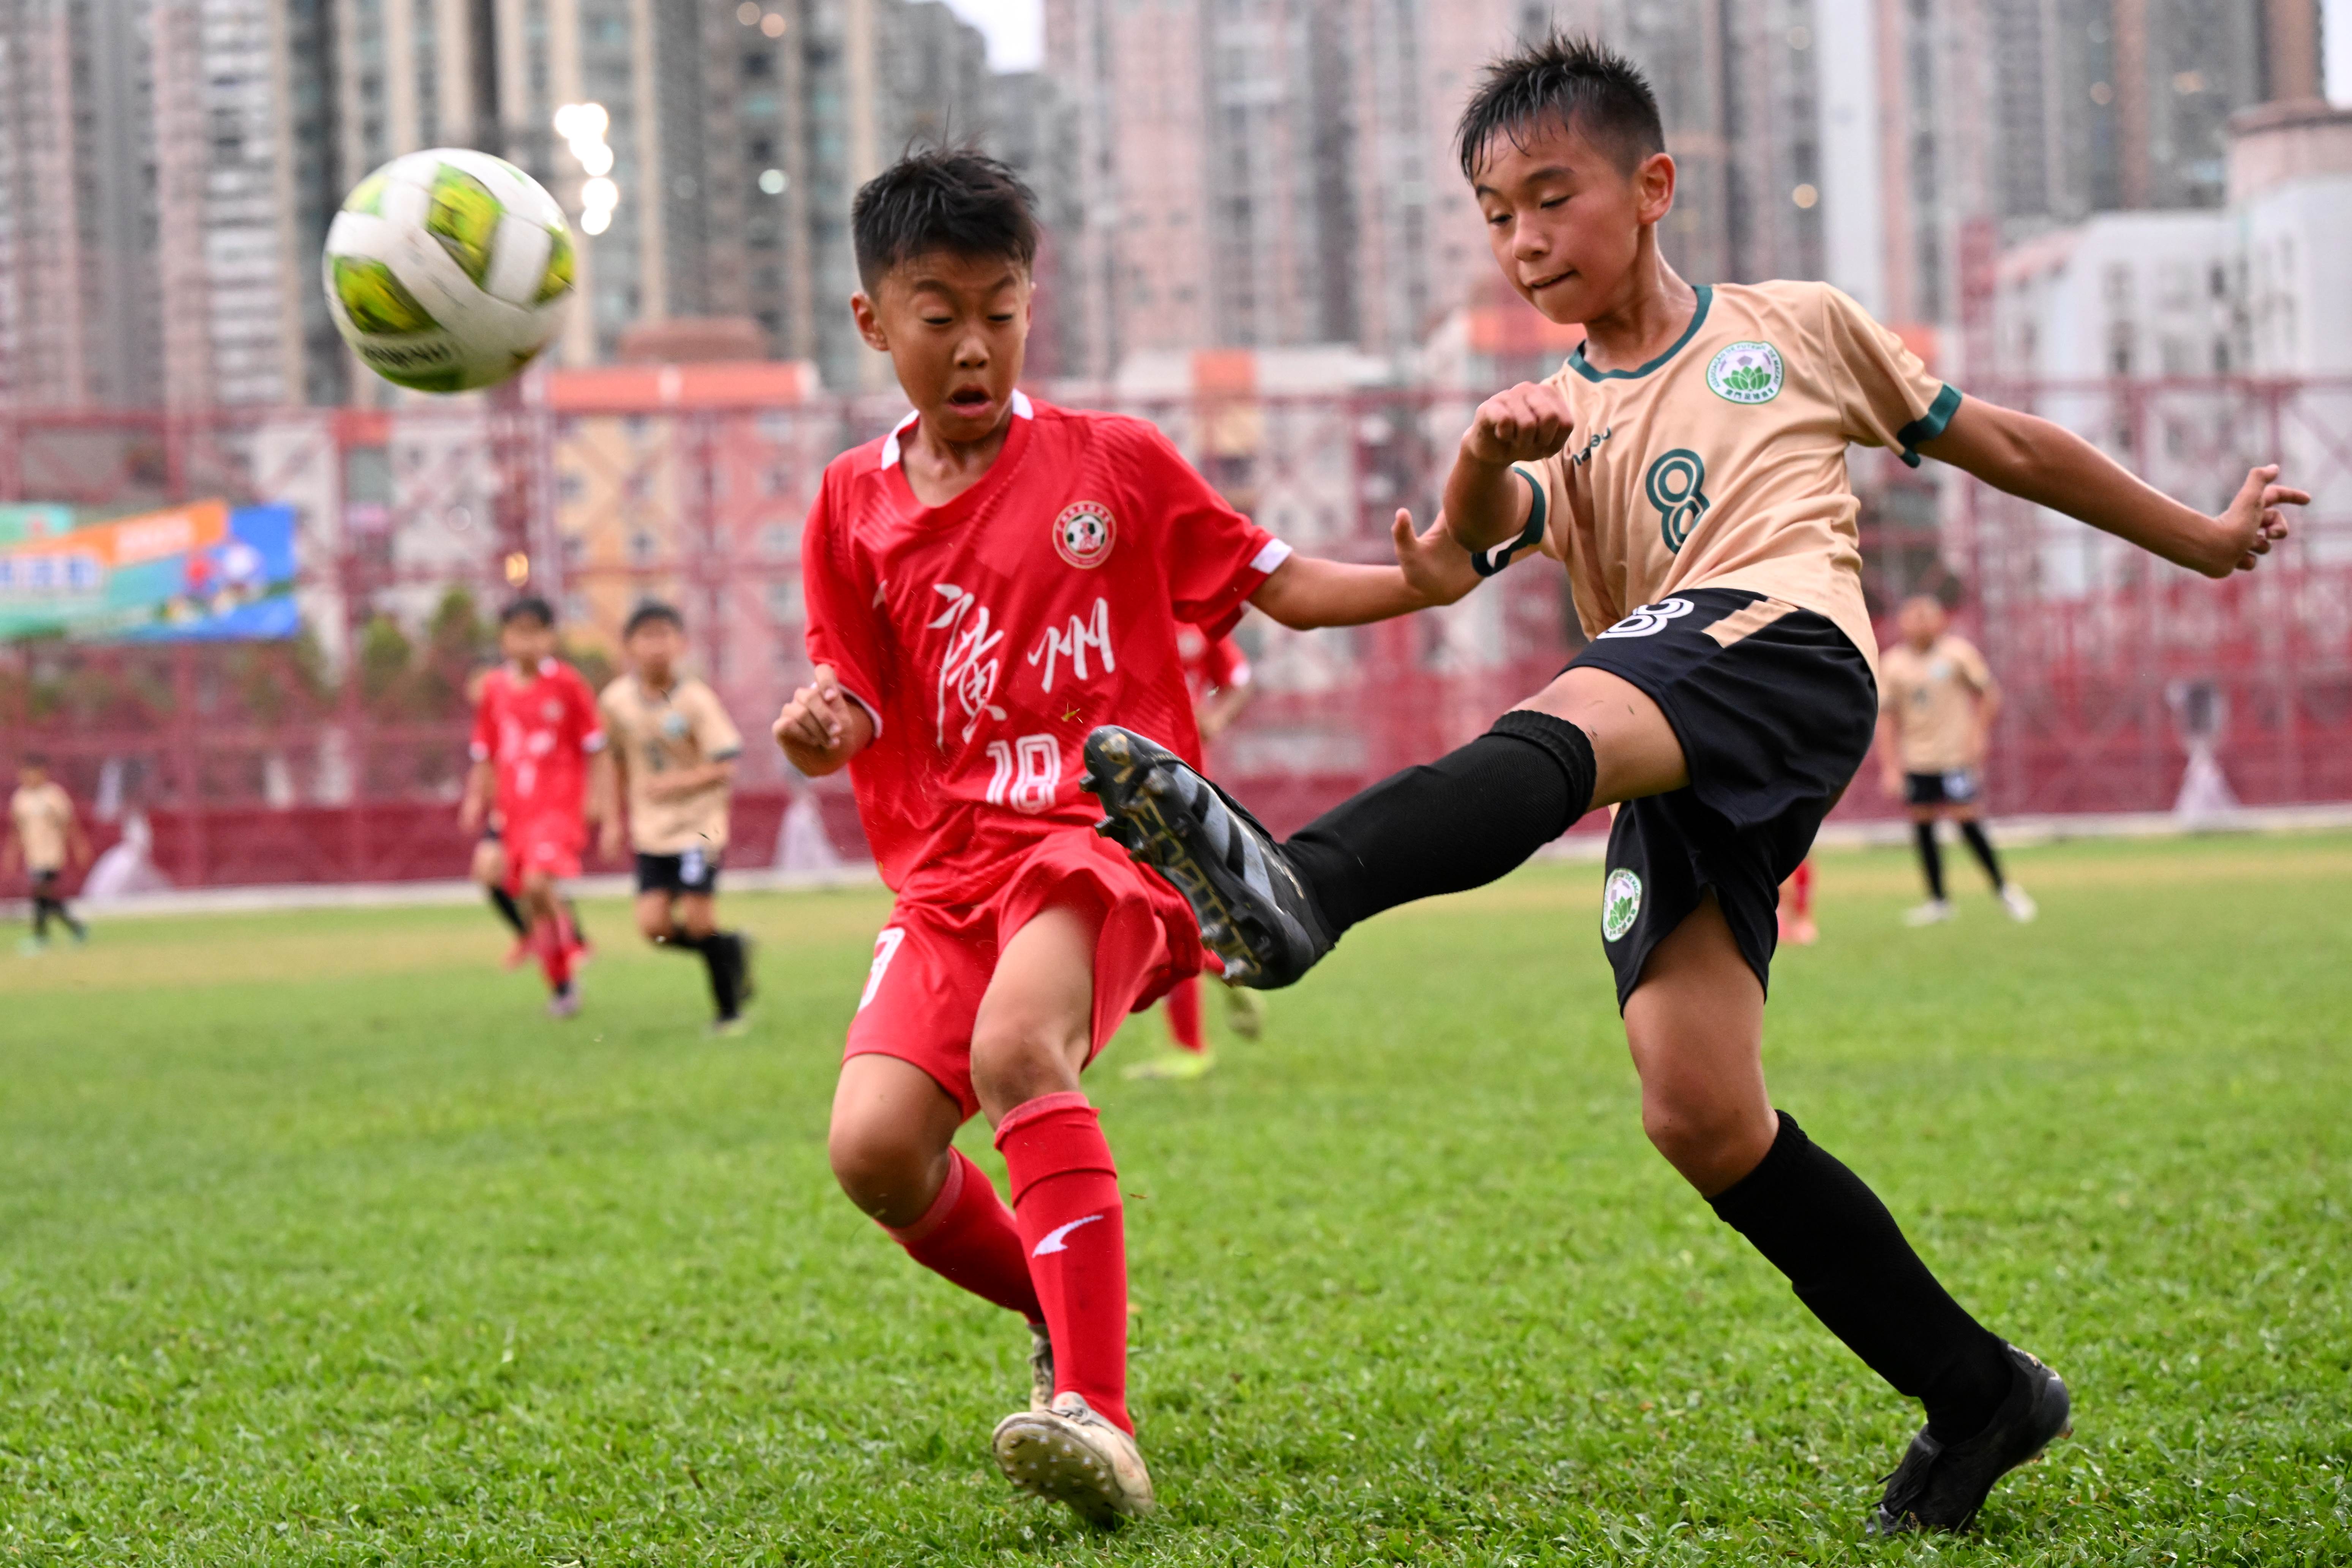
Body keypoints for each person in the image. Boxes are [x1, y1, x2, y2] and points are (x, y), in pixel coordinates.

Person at [1083, 34, 2305, 1537]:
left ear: (1653, 185)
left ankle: (1308, 886)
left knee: (1573, 708)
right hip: (1678, 736)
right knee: (1701, 1111)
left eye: (1554, 198)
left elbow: (2004, 441)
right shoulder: (1556, 413)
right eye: (1496, 215)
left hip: (1785, 647)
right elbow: (1454, 556)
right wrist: (1480, 454)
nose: (1526, 239)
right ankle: (1978, 1388)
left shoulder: (1796, 326)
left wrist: (2200, 537)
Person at [772, 148, 1469, 1527]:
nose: (974, 346)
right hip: (949, 871)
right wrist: (820, 728)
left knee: (1017, 1050)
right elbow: (850, 688)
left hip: (1105, 838)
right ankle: (1057, 1298)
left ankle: (1097, 1410)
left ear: (1030, 306)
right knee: (874, 1152)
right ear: (872, 321)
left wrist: (1424, 578)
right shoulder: (848, 503)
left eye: (1000, 310)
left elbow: (1278, 583)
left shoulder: (1115, 464)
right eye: (938, 316)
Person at [600, 602, 755, 1034]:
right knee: (654, 928)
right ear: (629, 645)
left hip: (699, 828)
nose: (656, 646)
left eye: (664, 635)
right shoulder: (615, 701)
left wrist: (677, 784)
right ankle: (732, 948)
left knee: (699, 920)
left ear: (682, 643)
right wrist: (612, 819)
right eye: (646, 636)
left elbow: (726, 765)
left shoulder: (696, 700)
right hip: (651, 831)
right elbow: (615, 761)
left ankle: (730, 1015)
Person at [459, 598, 615, 1019]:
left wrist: (602, 806)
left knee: (535, 884)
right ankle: (562, 979)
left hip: (558, 808)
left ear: (551, 637)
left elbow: (597, 747)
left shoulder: (567, 684)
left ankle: (569, 943)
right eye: (518, 633)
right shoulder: (495, 689)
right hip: (515, 811)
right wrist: (477, 799)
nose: (526, 642)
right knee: (502, 880)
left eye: (535, 633)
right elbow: (486, 752)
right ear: (503, 639)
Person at [1125, 628, 1265, 1081]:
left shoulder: (1193, 621)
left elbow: (1240, 679)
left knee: (1161, 908)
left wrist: (1217, 719)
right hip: (1117, 777)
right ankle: (1227, 970)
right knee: (1148, 908)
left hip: (1173, 782)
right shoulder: (1119, 613)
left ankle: (1190, 1046)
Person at [1879, 596, 2034, 925]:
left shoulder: (1957, 654)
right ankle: (1938, 901)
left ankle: (2004, 889)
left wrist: (1978, 734)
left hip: (1953, 757)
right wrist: (1891, 766)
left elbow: (1990, 694)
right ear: (1903, 624)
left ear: (1940, 621)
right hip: (1917, 759)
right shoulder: (1893, 664)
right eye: (1914, 618)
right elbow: (1887, 718)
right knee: (1923, 824)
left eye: (1927, 617)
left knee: (1967, 819)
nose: (1921, 624)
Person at [5, 756, 90, 952]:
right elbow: (16, 829)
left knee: (40, 892)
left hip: (52, 854)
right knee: (45, 897)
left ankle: (41, 937)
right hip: (33, 855)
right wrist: (11, 854)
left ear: (42, 773)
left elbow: (70, 824)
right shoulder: (21, 798)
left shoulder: (54, 795)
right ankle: (76, 928)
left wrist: (80, 847)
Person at [1777, 857, 1818, 947]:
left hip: (1796, 915)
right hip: (1786, 914)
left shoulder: (1804, 867)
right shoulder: (1793, 867)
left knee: (1807, 935)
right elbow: (1788, 894)